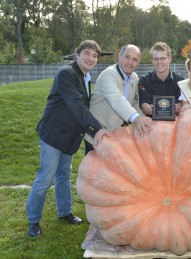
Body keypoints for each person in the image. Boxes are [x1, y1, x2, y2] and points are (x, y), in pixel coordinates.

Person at [26, 40, 110, 237]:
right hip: (53, 135)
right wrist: (97, 130)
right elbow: (76, 106)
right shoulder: (67, 73)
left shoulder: (86, 77)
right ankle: (33, 220)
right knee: (45, 178)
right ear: (77, 54)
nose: (91, 58)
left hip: (69, 137)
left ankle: (64, 212)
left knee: (64, 175)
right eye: (87, 53)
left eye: (95, 55)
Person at [84, 44, 152, 154]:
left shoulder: (134, 77)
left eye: (135, 59)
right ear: (119, 56)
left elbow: (134, 103)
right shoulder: (109, 74)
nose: (130, 62)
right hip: (98, 133)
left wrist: (147, 121)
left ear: (138, 62)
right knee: (95, 169)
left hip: (115, 135)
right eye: (127, 57)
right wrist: (137, 119)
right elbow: (116, 99)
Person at [138, 42, 183, 116]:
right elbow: (144, 104)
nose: (159, 62)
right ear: (152, 60)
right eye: (156, 59)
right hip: (152, 124)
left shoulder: (180, 81)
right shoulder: (144, 81)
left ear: (170, 59)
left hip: (175, 124)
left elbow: (182, 103)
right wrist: (149, 109)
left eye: (162, 58)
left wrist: (180, 107)